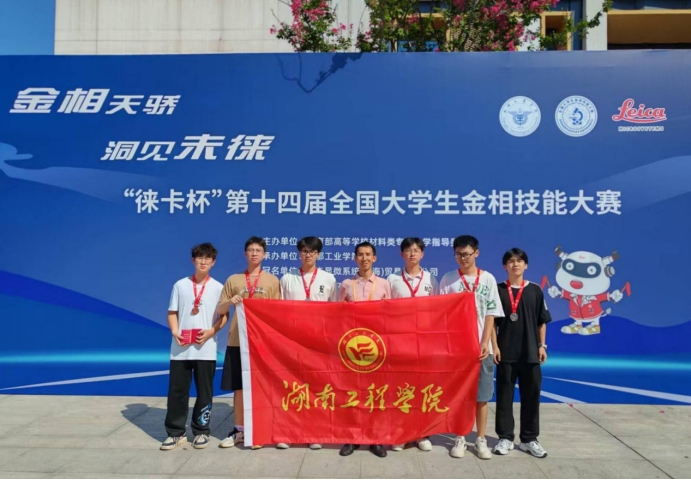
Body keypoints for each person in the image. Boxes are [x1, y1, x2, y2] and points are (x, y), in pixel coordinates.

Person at [439, 235, 503, 460]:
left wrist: (486, 342)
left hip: (481, 349)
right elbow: (442, 314)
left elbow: (490, 314)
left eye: (466, 254)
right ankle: (460, 436)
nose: (462, 258)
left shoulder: (488, 279)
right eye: (458, 254)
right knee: (461, 396)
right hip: (458, 349)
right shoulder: (448, 279)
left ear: (476, 253)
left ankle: (481, 439)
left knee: (482, 396)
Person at [217, 236, 281, 450]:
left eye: (258, 250)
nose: (254, 253)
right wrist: (229, 301)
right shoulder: (234, 279)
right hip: (237, 341)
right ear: (245, 254)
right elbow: (220, 309)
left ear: (265, 254)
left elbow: (277, 313)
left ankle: (261, 430)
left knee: (262, 387)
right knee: (239, 387)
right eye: (251, 250)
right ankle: (239, 430)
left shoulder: (272, 281)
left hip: (262, 343)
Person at [161, 243, 225, 451]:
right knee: (177, 392)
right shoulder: (180, 285)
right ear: (193, 260)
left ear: (213, 262)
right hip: (180, 349)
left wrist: (211, 332)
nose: (203, 262)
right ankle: (175, 433)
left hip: (206, 349)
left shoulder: (218, 287)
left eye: (207, 259)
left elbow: (224, 316)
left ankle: (201, 431)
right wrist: (175, 331)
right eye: (200, 258)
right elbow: (172, 312)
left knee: (205, 392)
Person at [278, 236, 337, 450]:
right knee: (291, 386)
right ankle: (288, 432)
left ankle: (315, 432)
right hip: (292, 342)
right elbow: (278, 311)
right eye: (304, 251)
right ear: (299, 253)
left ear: (318, 254)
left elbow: (334, 312)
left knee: (317, 388)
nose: (308, 255)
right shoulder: (287, 278)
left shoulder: (329, 279)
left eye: (312, 251)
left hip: (318, 344)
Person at [493, 248, 550, 458]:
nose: (515, 264)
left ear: (526, 265)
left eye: (519, 261)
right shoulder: (498, 290)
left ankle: (529, 439)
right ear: (505, 266)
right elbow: (492, 322)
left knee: (532, 397)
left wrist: (542, 346)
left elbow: (541, 321)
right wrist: (494, 347)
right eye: (511, 261)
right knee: (504, 398)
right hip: (505, 353)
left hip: (530, 354)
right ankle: (505, 438)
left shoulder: (535, 290)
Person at [338, 241, 392, 458]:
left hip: (375, 348)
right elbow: (337, 314)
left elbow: (390, 315)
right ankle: (352, 438)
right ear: (355, 259)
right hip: (351, 348)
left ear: (374, 258)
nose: (364, 258)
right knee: (352, 393)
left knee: (375, 393)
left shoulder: (384, 284)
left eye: (368, 254)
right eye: (360, 255)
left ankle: (375, 439)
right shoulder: (346, 285)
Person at [387, 237, 438, 453]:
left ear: (422, 254)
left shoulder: (431, 279)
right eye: (408, 250)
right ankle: (401, 433)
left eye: (416, 250)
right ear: (402, 254)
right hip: (399, 342)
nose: (412, 254)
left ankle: (421, 434)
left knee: (422, 388)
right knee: (400, 389)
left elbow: (437, 311)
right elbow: (385, 311)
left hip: (424, 343)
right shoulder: (392, 280)